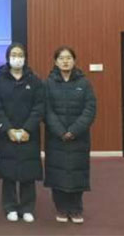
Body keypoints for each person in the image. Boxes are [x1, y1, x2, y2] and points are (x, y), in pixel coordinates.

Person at [0, 43, 45, 223]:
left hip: (29, 134)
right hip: (6, 134)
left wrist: (27, 128)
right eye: (13, 54)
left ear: (25, 58)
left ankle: (27, 207)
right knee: (8, 173)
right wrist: (8, 129)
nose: (17, 58)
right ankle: (10, 207)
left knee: (28, 172)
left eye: (20, 55)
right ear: (8, 57)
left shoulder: (34, 81)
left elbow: (39, 107)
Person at [44, 46, 97, 224]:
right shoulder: (48, 83)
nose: (65, 61)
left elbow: (90, 109)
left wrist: (74, 130)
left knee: (77, 172)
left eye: (68, 58)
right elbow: (46, 110)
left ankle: (76, 209)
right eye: (61, 58)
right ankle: (61, 208)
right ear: (55, 62)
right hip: (56, 137)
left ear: (74, 61)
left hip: (78, 137)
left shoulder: (84, 83)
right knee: (57, 172)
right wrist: (60, 131)